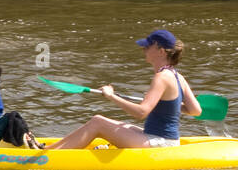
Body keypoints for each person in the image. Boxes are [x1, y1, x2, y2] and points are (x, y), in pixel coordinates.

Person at [48, 29, 202, 150]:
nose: (143, 49)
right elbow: (196, 110)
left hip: (160, 143)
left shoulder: (161, 77)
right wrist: (163, 105)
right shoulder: (177, 76)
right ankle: (47, 149)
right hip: (163, 139)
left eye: (148, 46)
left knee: (98, 122)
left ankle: (49, 157)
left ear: (161, 51)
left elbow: (141, 113)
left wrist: (111, 96)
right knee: (111, 123)